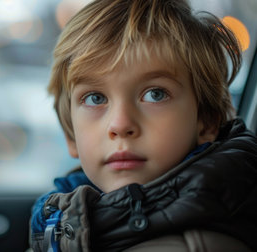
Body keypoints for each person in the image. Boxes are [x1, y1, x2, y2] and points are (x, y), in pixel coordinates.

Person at [29, 0, 257, 251]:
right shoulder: (65, 221)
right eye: (95, 98)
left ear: (206, 121)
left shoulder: (196, 245)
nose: (120, 125)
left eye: (155, 94)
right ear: (71, 135)